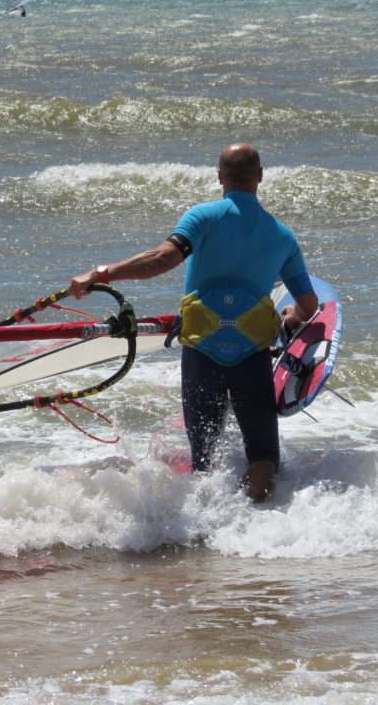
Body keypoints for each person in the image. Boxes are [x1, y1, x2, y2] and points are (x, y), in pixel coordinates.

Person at [69, 143, 318, 502]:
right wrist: (292, 315)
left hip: (203, 349)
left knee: (204, 456)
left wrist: (101, 273)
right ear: (261, 176)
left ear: (220, 177)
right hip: (252, 354)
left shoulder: (203, 217)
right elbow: (308, 306)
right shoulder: (282, 236)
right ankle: (249, 530)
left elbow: (160, 260)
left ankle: (207, 531)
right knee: (263, 456)